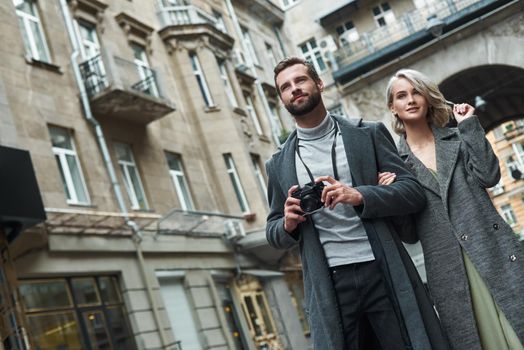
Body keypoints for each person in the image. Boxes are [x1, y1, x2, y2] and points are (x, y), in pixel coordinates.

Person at [265, 57, 450, 350]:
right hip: (330, 282)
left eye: (300, 80)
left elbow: (413, 193)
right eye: (285, 87)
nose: (294, 89)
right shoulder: (278, 163)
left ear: (318, 83)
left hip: (382, 267)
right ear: (282, 100)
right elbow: (272, 231)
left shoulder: (368, 133)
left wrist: (361, 195)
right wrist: (287, 223)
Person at [384, 68, 524, 350]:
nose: (410, 99)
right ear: (393, 108)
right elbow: (409, 233)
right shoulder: (396, 166)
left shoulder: (457, 139)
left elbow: (489, 176)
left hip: (493, 250)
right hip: (449, 273)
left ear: (427, 98)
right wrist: (391, 196)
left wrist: (469, 125)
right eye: (402, 96)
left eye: (416, 92)